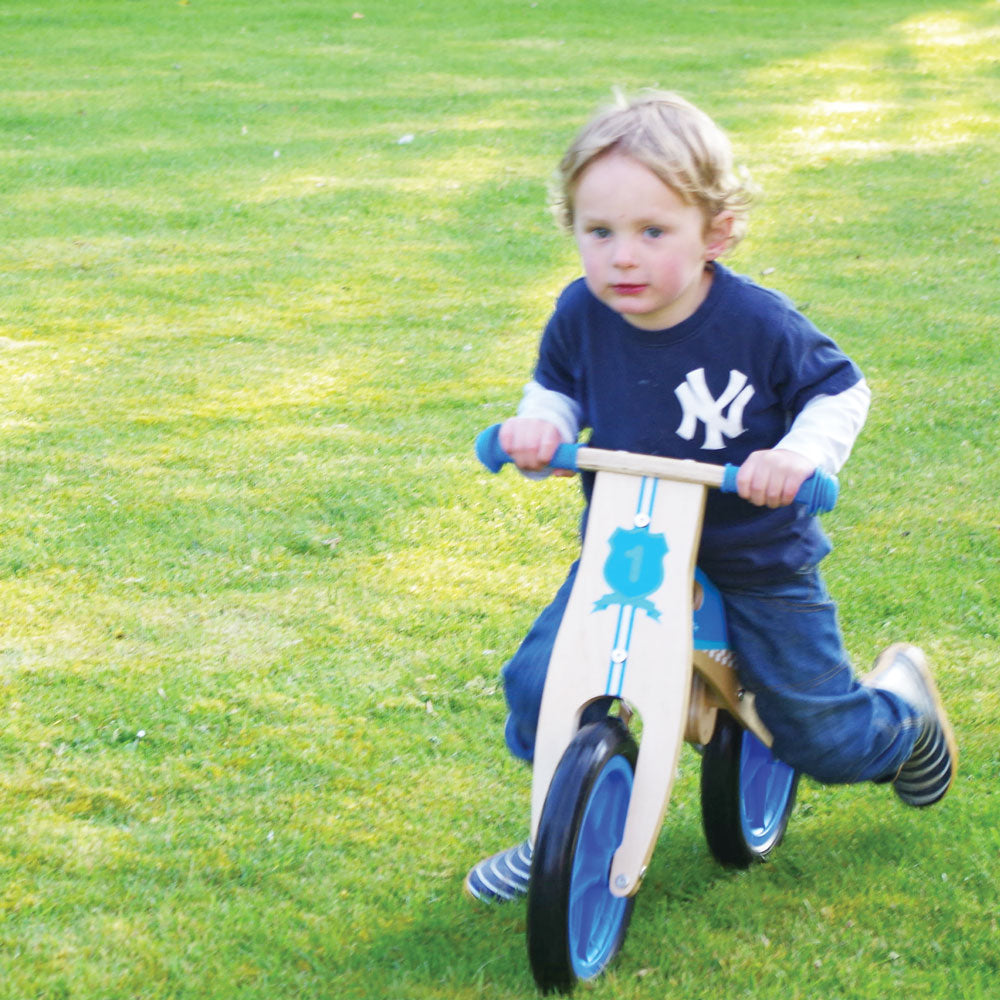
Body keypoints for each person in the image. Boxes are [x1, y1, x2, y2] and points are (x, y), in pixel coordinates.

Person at [465, 90, 957, 904]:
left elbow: (841, 391)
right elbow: (555, 387)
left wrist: (794, 456)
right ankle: (563, 826)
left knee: (821, 737)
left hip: (756, 556)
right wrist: (538, 428)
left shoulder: (756, 322)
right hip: (632, 549)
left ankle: (903, 712)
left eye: (653, 232)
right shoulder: (581, 313)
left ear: (714, 233)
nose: (622, 257)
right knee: (540, 683)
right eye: (600, 232)